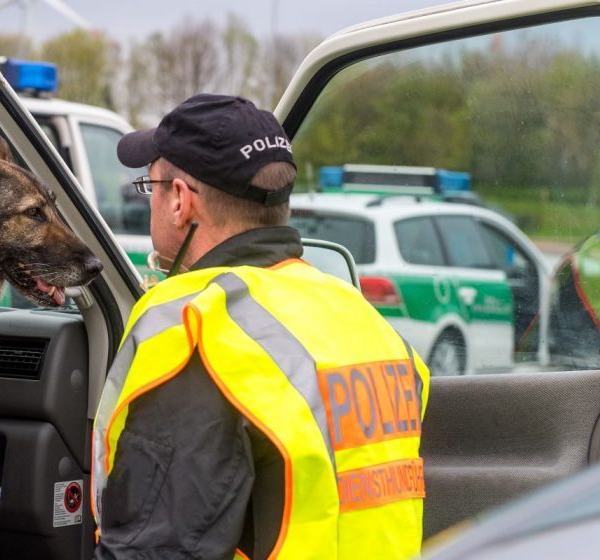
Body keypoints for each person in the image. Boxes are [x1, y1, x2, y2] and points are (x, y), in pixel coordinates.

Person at [91, 94, 431, 560]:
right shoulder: (369, 324)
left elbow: (157, 548)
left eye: (151, 187)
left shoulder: (200, 334)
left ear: (180, 203)